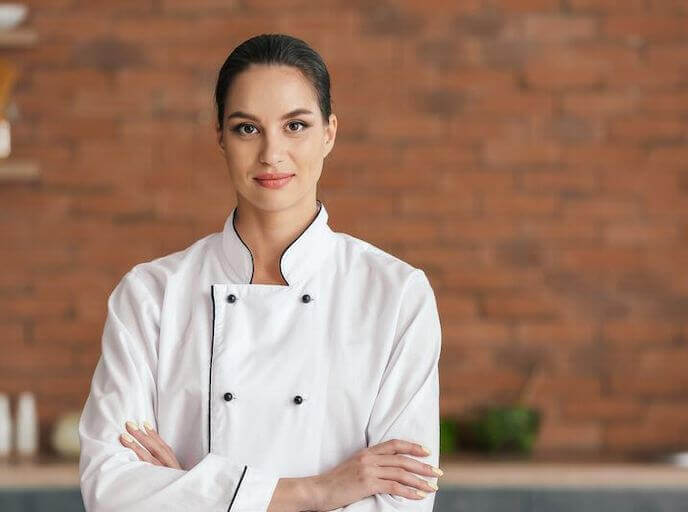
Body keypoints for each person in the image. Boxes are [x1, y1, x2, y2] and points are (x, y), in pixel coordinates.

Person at [78, 33, 443, 512]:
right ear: (220, 139)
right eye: (247, 128)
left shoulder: (395, 295)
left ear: (329, 133)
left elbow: (402, 503)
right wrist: (319, 490)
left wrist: (193, 491)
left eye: (295, 125)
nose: (272, 153)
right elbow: (110, 488)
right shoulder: (151, 295)